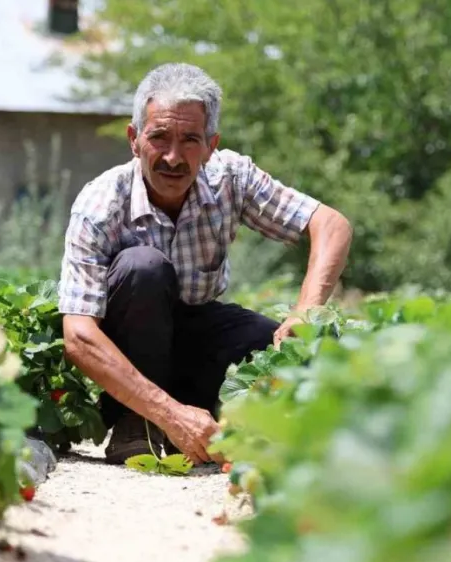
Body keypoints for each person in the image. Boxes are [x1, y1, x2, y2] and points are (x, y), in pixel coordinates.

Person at [57, 63, 353, 466]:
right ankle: (136, 423)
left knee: (276, 346)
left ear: (211, 145)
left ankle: (224, 423)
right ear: (134, 139)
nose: (173, 157)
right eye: (158, 137)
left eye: (190, 140)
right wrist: (165, 411)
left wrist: (305, 312)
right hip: (128, 355)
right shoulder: (101, 204)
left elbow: (330, 224)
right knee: (143, 267)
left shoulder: (232, 177)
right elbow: (78, 337)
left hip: (197, 335)